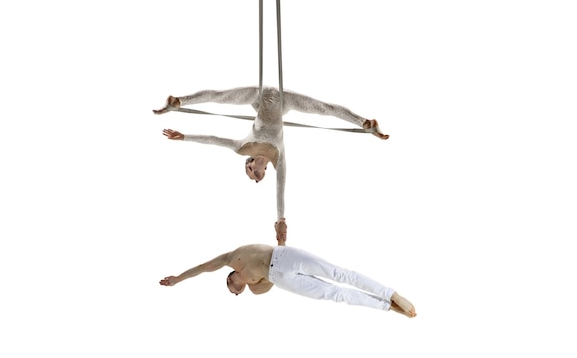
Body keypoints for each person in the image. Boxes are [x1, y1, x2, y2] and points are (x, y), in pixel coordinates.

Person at [153, 86, 389, 245]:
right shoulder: (279, 160)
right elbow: (280, 191)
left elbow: (214, 140)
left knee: (221, 97)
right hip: (283, 102)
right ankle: (367, 125)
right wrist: (281, 220)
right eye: (259, 176)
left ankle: (179, 102)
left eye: (252, 174)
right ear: (264, 171)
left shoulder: (242, 148)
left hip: (259, 97)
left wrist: (184, 136)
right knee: (324, 109)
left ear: (250, 165)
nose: (256, 176)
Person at [159, 243, 416, 317]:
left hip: (282, 255)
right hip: (279, 277)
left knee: (339, 273)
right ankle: (386, 306)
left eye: (231, 288)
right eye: (236, 293)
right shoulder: (256, 289)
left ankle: (391, 294)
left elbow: (204, 267)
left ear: (231, 279)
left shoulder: (232, 258)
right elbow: (271, 281)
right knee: (333, 294)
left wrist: (178, 279)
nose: (235, 291)